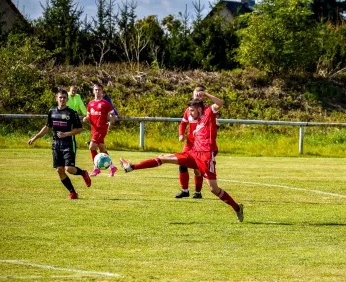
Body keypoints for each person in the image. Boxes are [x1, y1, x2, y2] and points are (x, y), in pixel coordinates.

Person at [119, 91, 244, 222]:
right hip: (193, 153)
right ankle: (132, 166)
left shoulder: (208, 113)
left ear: (200, 109)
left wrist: (206, 95)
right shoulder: (198, 120)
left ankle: (237, 208)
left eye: (192, 110)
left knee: (214, 189)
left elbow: (220, 103)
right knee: (163, 157)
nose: (190, 113)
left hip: (206, 156)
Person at [28, 89, 91, 199]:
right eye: (60, 97)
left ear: (67, 99)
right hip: (56, 145)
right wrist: (35, 137)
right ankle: (73, 192)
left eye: (64, 97)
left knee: (69, 169)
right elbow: (47, 127)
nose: (62, 99)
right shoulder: (52, 111)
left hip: (68, 144)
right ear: (56, 98)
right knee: (59, 170)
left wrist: (67, 134)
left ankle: (83, 173)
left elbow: (79, 129)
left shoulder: (72, 113)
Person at [175, 85, 205, 199]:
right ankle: (185, 190)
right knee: (182, 164)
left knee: (197, 169)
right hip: (189, 143)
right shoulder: (189, 110)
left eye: (199, 94)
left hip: (200, 145)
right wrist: (181, 134)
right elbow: (183, 123)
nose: (197, 96)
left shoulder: (206, 110)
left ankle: (198, 192)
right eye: (195, 94)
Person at [84, 83, 118, 177]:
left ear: (102, 91)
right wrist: (86, 118)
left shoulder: (105, 103)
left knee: (91, 147)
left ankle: (96, 169)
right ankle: (112, 167)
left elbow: (113, 115)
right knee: (102, 148)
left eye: (99, 90)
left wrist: (110, 123)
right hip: (94, 130)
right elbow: (88, 115)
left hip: (101, 129)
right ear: (93, 91)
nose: (97, 91)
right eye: (96, 89)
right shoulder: (90, 103)